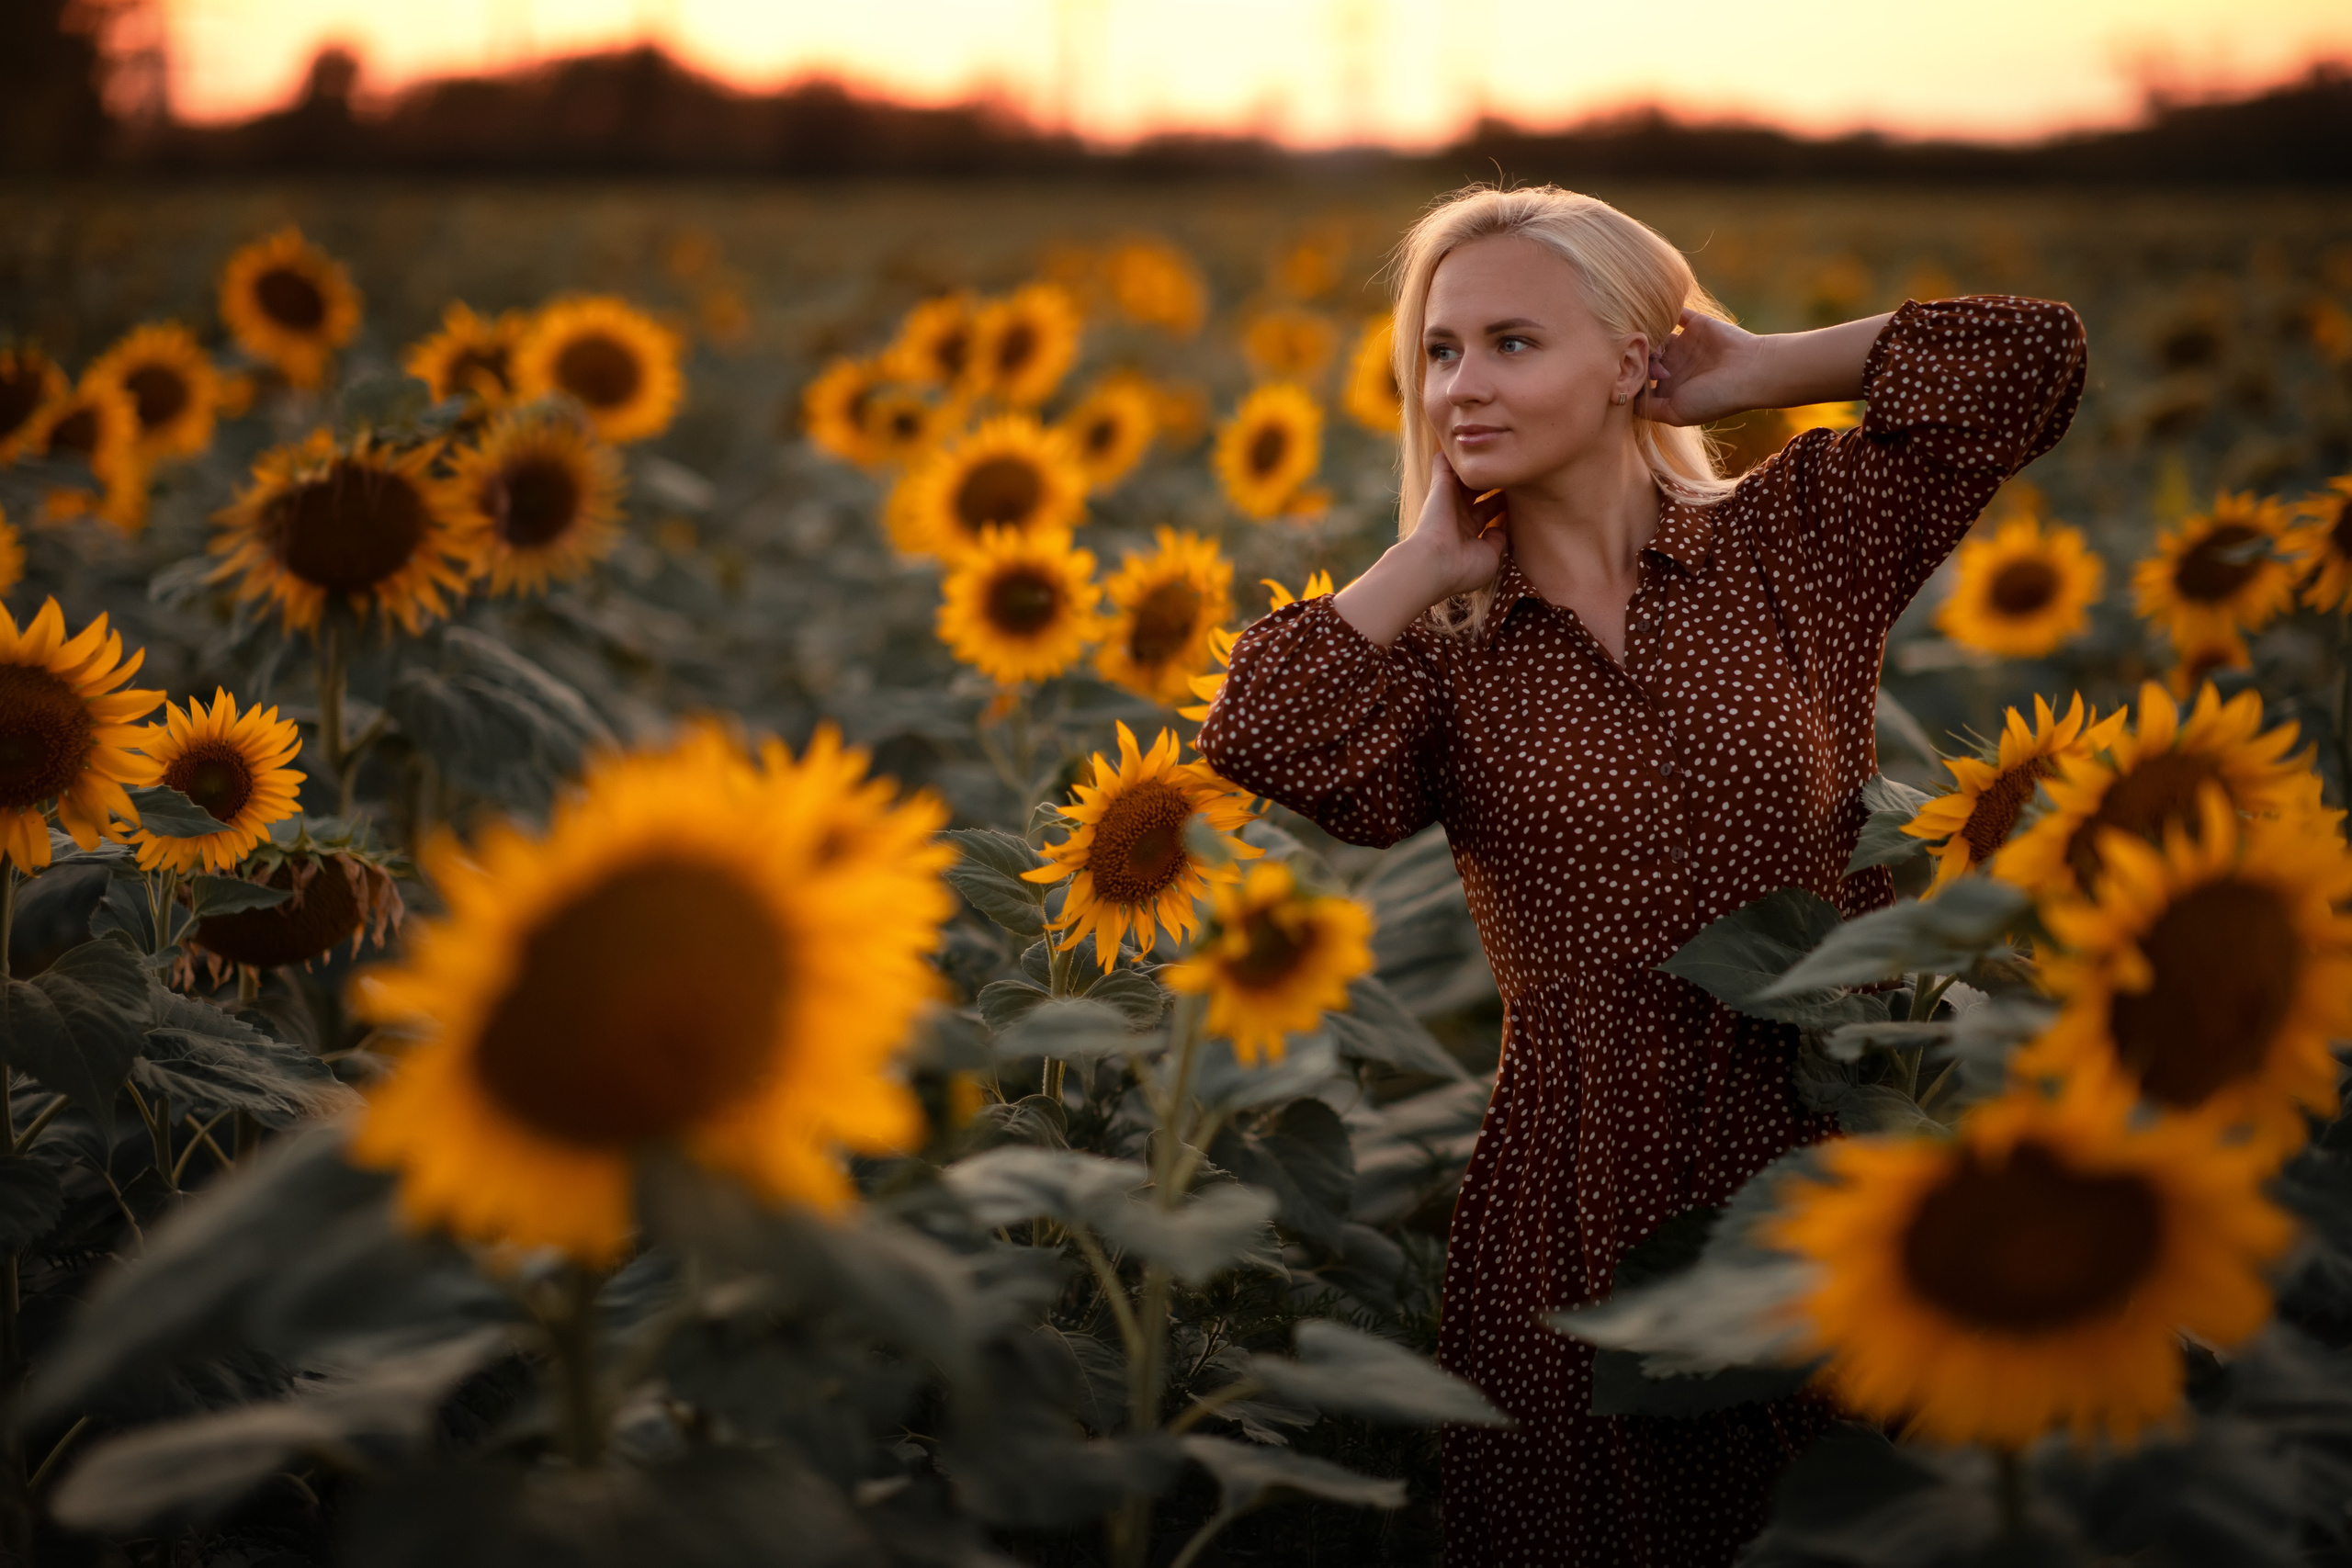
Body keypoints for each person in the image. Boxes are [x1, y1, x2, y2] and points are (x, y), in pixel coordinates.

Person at [1195, 185, 2086, 1566]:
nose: (1462, 385)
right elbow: (1259, 733)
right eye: (1439, 351)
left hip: (1834, 1130)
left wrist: (1758, 370)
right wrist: (1419, 563)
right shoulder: (1441, 655)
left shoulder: (1794, 544)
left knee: (1863, 1523)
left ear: (1631, 360)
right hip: (1588, 1185)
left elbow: (2030, 357)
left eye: (1512, 342)